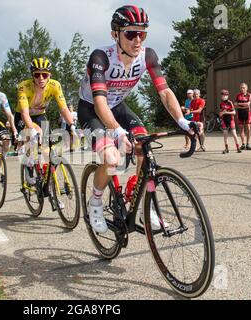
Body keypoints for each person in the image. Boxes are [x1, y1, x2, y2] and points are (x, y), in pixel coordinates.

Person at [77, 5, 203, 234]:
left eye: (142, 33)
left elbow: (164, 92)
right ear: (115, 33)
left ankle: (139, 195)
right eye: (131, 33)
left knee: (144, 146)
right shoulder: (100, 57)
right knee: (111, 158)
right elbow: (99, 103)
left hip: (117, 106)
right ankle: (95, 202)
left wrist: (183, 121)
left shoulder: (148, 56)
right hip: (92, 109)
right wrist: (116, 131)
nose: (138, 40)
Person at [15, 57, 77, 185]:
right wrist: (32, 130)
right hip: (23, 116)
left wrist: (72, 126)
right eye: (37, 75)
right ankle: (28, 167)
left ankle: (49, 185)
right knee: (34, 135)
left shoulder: (55, 85)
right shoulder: (23, 87)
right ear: (32, 76)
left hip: (40, 115)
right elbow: (25, 113)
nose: (41, 78)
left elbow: (64, 108)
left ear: (50, 75)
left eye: (44, 74)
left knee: (46, 149)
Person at [219, 90, 241, 154]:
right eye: (223, 95)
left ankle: (238, 147)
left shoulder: (230, 102)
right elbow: (220, 114)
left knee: (234, 134)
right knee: (225, 135)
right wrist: (222, 113)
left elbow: (234, 112)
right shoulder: (221, 104)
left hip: (230, 120)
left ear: (228, 96)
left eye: (225, 95)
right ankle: (226, 148)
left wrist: (227, 112)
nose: (224, 97)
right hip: (224, 120)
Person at [235, 83, 251, 150]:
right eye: (241, 87)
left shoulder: (249, 95)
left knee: (248, 128)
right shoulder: (238, 95)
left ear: (246, 88)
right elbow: (235, 104)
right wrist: (242, 105)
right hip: (240, 113)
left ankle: (248, 144)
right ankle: (243, 144)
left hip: (247, 113)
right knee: (241, 128)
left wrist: (239, 104)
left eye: (244, 87)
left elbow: (248, 104)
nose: (242, 89)